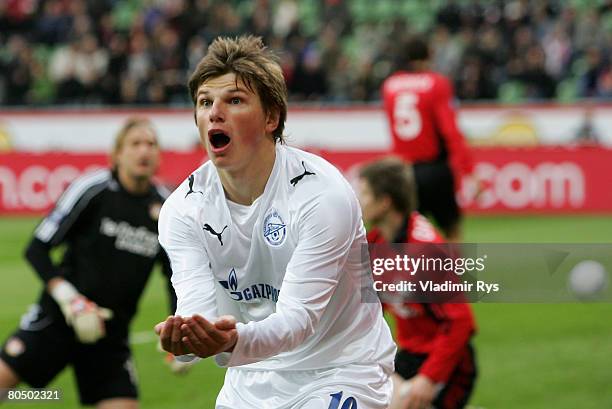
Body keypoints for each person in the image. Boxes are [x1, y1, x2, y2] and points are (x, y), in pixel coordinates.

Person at [155, 35, 396, 409]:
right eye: (205, 102)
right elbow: (198, 311)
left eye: (234, 100)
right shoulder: (182, 210)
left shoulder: (322, 195)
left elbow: (298, 320)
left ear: (272, 117)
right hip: (249, 378)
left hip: (340, 369)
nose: (214, 112)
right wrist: (188, 339)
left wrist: (229, 341)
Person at [0, 117, 177, 408]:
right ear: (118, 153)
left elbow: (174, 274)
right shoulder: (93, 189)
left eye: (151, 144)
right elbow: (37, 249)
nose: (144, 151)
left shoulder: (167, 207)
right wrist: (70, 299)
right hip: (58, 320)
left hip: (111, 337)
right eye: (135, 144)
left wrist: (177, 333)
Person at [357, 158, 477, 409]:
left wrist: (429, 378)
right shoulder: (374, 244)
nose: (360, 200)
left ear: (385, 201)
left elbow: (460, 322)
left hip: (449, 363)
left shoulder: (426, 252)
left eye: (366, 193)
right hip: (411, 356)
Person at [381, 36, 476, 241]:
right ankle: (452, 272)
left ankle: (408, 273)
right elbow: (450, 131)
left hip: (404, 170)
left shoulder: (390, 86)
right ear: (428, 56)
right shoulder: (436, 83)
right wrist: (469, 171)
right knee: (451, 229)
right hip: (434, 168)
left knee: (408, 233)